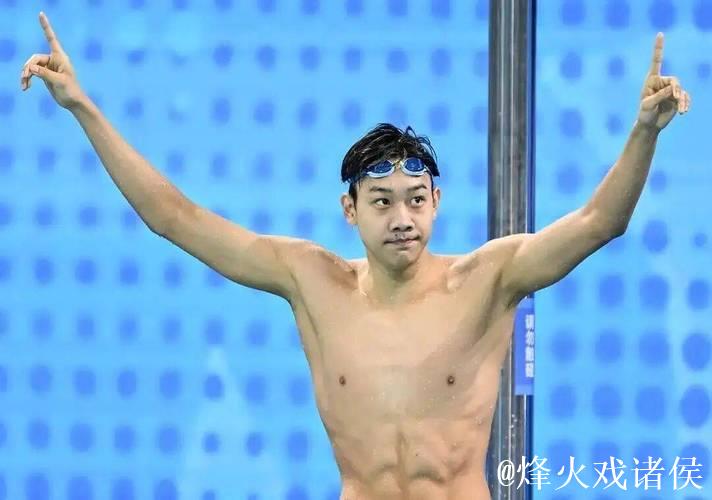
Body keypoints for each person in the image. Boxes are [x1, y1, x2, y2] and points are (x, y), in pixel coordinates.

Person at [20, 11, 690, 500]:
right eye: (382, 202)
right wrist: (83, 108)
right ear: (350, 209)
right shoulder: (312, 281)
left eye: (416, 200)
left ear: (436, 201)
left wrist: (643, 133)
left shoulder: (489, 278)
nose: (402, 219)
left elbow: (601, 221)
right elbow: (173, 217)